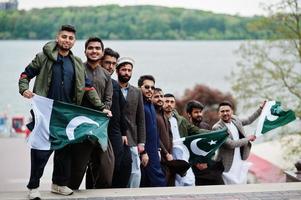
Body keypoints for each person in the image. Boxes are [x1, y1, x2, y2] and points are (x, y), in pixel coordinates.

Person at [18, 25, 110, 199]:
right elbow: (25, 75)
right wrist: (24, 89)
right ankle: (33, 187)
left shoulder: (76, 63)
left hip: (66, 114)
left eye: (70, 38)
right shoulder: (43, 57)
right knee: (41, 150)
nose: (67, 40)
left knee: (65, 152)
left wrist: (101, 107)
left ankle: (59, 184)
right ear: (58, 37)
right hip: (45, 112)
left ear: (74, 41)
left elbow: (88, 87)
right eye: (64, 37)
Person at [68, 37, 114, 190]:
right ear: (85, 51)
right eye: (91, 48)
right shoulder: (77, 69)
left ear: (101, 52)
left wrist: (101, 112)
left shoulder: (107, 75)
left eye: (97, 48)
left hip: (100, 126)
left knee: (107, 169)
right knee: (77, 171)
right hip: (81, 126)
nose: (94, 51)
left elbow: (108, 101)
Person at [100, 48, 132, 188]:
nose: (110, 66)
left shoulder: (114, 85)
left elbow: (121, 111)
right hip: (97, 129)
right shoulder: (92, 80)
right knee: (99, 167)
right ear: (101, 61)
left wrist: (124, 133)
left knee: (123, 164)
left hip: (115, 131)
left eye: (113, 63)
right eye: (107, 62)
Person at [212, 100, 265, 184]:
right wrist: (248, 139)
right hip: (226, 164)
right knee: (228, 188)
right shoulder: (217, 127)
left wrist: (260, 109)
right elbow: (230, 144)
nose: (225, 113)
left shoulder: (235, 119)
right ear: (219, 113)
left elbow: (248, 120)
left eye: (227, 111)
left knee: (242, 185)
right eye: (222, 111)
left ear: (231, 111)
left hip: (240, 159)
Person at [163, 93, 208, 186]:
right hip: (165, 155)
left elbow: (196, 131)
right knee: (169, 181)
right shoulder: (158, 118)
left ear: (174, 104)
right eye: (166, 101)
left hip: (180, 155)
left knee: (188, 181)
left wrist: (214, 133)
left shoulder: (181, 120)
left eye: (172, 102)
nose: (169, 104)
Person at [116, 57, 146, 188]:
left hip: (132, 138)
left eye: (129, 70)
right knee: (117, 170)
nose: (126, 72)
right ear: (117, 71)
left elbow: (140, 118)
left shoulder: (137, 92)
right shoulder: (111, 88)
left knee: (135, 172)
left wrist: (141, 142)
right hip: (115, 136)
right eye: (123, 70)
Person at [186, 100, 224, 185]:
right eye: (196, 112)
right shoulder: (185, 129)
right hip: (194, 168)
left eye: (200, 112)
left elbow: (212, 146)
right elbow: (185, 150)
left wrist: (206, 162)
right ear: (189, 114)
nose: (199, 114)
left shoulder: (205, 126)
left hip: (208, 164)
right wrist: (196, 163)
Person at [138, 75, 166, 187]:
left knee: (151, 182)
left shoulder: (150, 105)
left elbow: (153, 130)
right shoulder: (139, 104)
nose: (150, 90)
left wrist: (158, 149)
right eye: (147, 87)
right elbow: (136, 129)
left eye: (152, 88)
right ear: (140, 87)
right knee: (155, 182)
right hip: (144, 151)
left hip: (154, 151)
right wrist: (142, 152)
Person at [151, 88, 174, 186]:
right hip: (159, 158)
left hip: (168, 160)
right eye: (156, 97)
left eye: (161, 96)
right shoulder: (153, 114)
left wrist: (170, 152)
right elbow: (155, 137)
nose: (160, 99)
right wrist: (166, 153)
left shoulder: (164, 115)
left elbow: (170, 136)